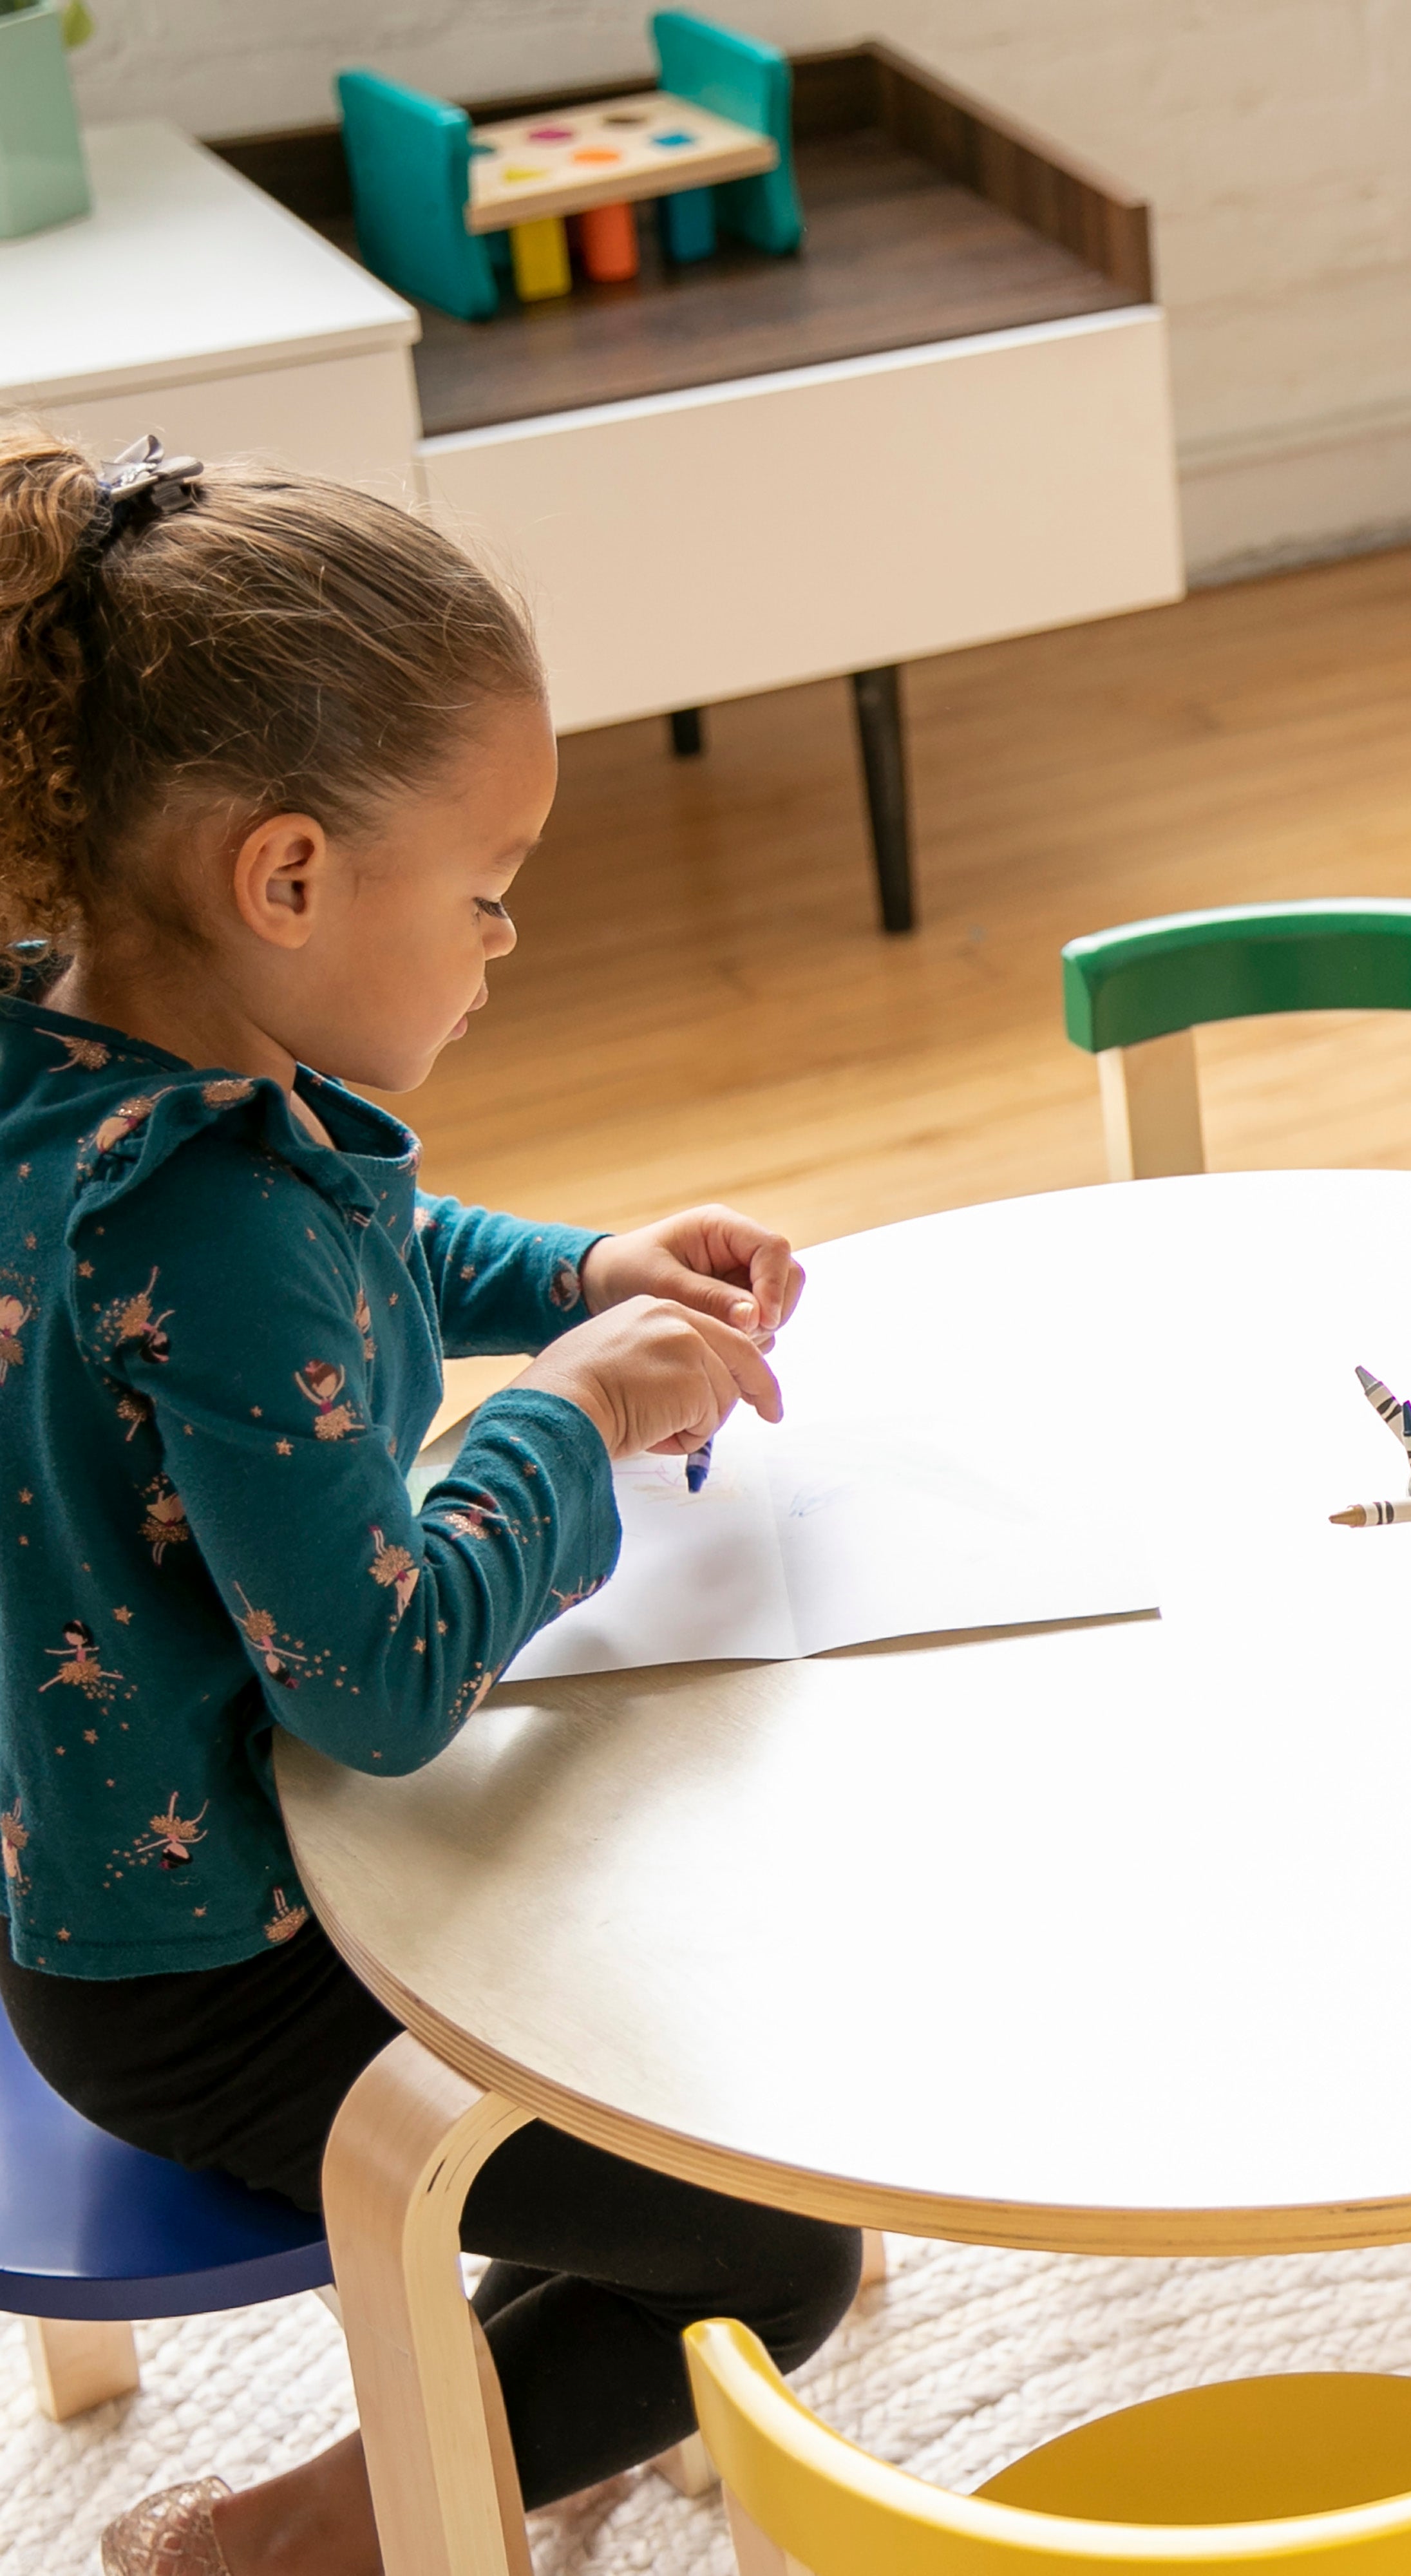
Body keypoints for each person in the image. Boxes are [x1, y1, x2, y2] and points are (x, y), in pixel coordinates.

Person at [0, 428, 869, 2576]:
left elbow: (340, 1259)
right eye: (488, 885)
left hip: (114, 1882)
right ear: (289, 882)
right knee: (783, 2246)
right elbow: (381, 1682)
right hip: (218, 1975)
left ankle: (492, 2404)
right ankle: (288, 2545)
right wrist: (559, 1418)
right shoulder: (204, 1219)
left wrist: (569, 1272)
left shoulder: (77, 1054)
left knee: (687, 1952)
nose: (505, 937)